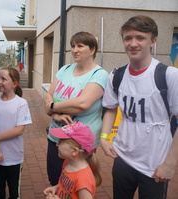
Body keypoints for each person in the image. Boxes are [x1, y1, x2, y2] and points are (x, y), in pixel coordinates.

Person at [100, 15, 178, 199]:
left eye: (140, 38)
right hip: (122, 157)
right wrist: (104, 137)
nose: (133, 43)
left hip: (155, 163)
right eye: (128, 38)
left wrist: (170, 163)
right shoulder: (117, 75)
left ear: (153, 41)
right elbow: (111, 108)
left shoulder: (169, 76)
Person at [44, 31, 109, 186]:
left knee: (76, 184)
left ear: (92, 50)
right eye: (73, 46)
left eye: (80, 46)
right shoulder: (65, 69)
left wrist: (53, 107)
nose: (74, 50)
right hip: (56, 136)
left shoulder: (100, 74)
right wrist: (55, 116)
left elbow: (82, 103)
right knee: (54, 179)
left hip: (80, 142)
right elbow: (48, 95)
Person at [0, 67, 32, 199]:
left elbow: (19, 130)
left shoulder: (21, 103)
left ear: (14, 84)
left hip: (14, 156)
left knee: (14, 189)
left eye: (4, 79)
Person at [43, 122, 102, 199]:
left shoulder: (83, 181)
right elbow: (65, 185)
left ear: (74, 151)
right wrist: (56, 187)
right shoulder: (68, 162)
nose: (57, 145)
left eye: (61, 141)